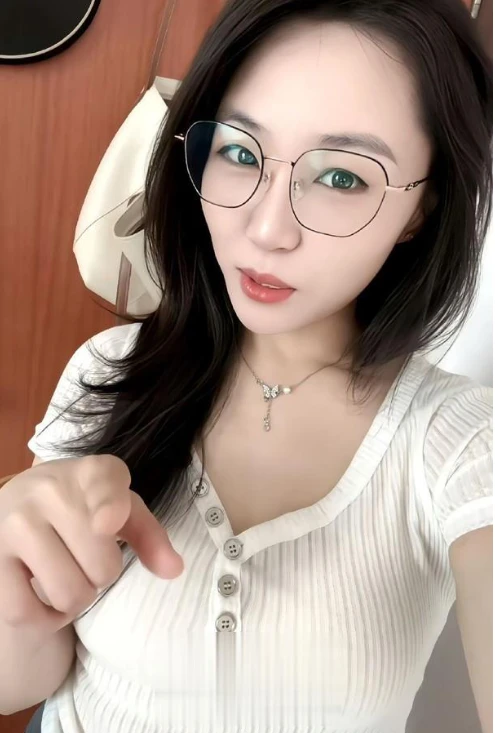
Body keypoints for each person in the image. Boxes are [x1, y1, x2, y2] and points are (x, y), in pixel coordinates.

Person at [0, 0, 492, 731]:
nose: (265, 229)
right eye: (238, 152)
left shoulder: (457, 442)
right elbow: (19, 685)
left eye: (342, 178)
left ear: (421, 210)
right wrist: (10, 575)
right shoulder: (110, 369)